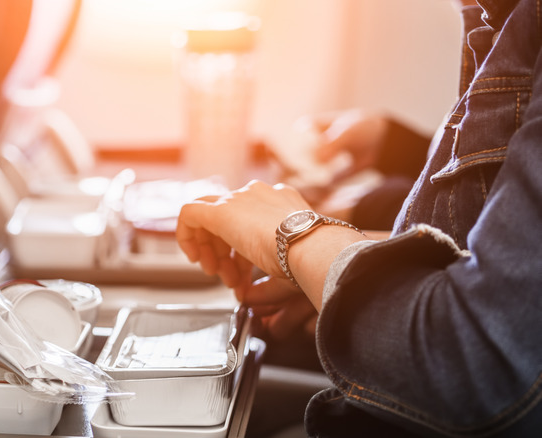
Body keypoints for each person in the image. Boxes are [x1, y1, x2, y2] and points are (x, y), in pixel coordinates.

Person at [176, 0, 542, 436]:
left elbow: (481, 359)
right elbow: (492, 240)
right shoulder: (503, 17)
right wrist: (339, 266)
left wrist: (301, 237)